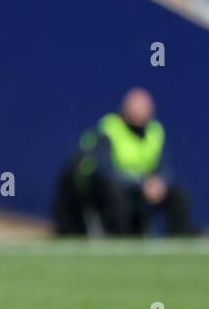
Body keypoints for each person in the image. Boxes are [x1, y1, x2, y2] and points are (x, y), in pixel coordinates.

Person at [53, 88, 194, 236]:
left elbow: (164, 165)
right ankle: (121, 236)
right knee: (114, 191)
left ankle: (181, 238)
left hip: (145, 188)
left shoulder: (155, 131)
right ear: (125, 108)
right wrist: (141, 184)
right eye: (137, 107)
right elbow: (105, 169)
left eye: (146, 108)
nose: (142, 112)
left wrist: (160, 181)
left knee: (179, 194)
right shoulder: (109, 128)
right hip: (117, 187)